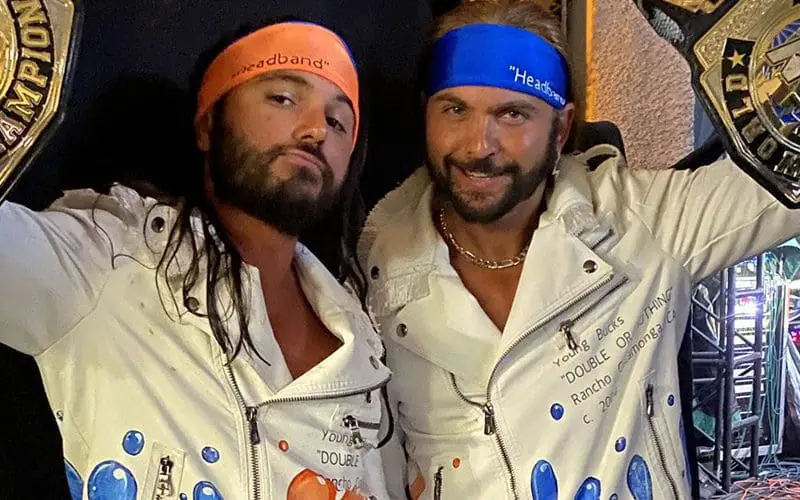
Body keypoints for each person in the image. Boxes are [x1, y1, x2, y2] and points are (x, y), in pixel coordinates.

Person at [359, 1, 800, 499]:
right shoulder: (374, 270)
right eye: (455, 109)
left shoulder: (642, 225)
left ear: (562, 128)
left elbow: (788, 181)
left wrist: (736, 33)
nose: (479, 145)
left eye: (512, 114)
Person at [0, 19, 392, 500]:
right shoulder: (110, 259)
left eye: (337, 122)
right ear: (208, 125)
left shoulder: (366, 346)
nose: (315, 130)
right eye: (283, 98)